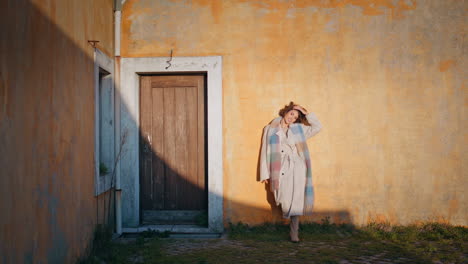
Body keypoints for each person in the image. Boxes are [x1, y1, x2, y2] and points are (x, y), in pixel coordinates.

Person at [259, 102, 322, 242]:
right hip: (279, 168)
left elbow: (318, 127)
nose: (292, 118)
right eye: (291, 114)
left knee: (297, 200)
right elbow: (264, 151)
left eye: (295, 117)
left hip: (298, 167)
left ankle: (294, 233)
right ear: (285, 112)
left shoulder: (299, 129)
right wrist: (265, 173)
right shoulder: (270, 129)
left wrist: (305, 112)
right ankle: (289, 220)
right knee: (283, 198)